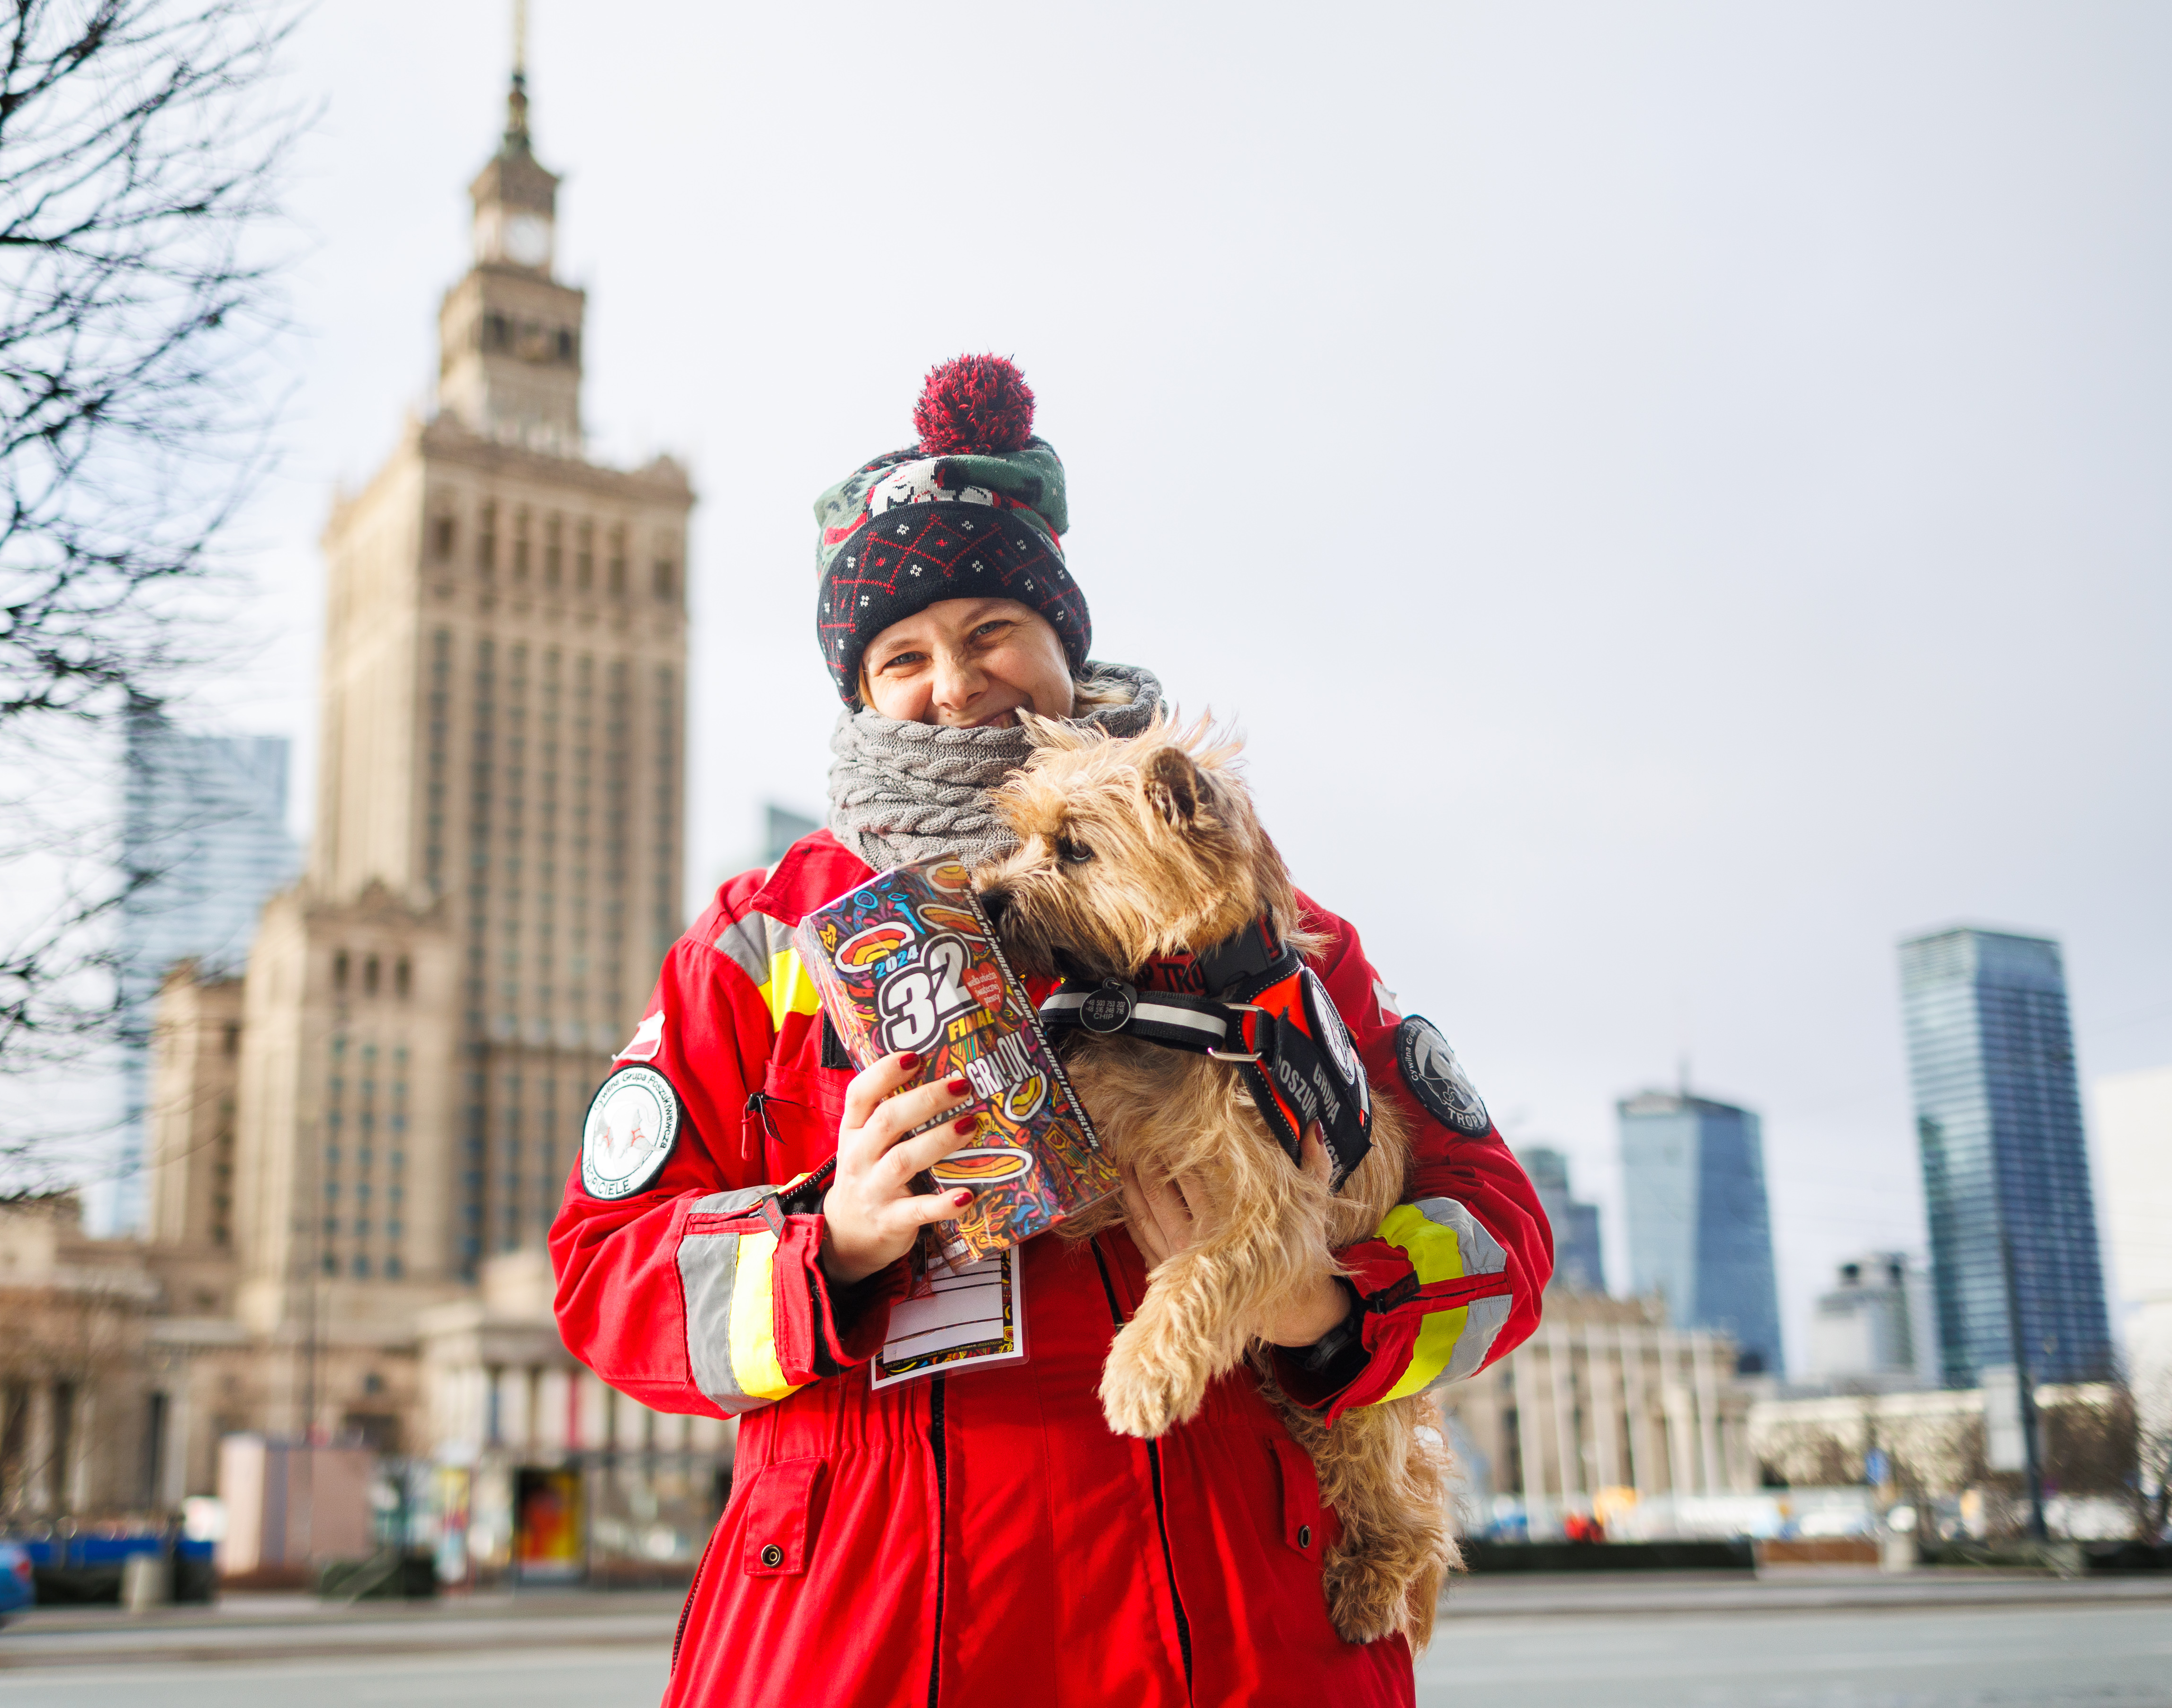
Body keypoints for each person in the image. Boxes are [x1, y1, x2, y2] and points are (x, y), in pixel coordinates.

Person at [550, 356, 1553, 1706]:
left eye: (991, 630)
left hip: (1236, 1637)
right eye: (899, 655)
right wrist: (826, 1242)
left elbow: (1498, 1233)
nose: (952, 684)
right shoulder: (761, 942)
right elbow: (602, 1276)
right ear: (859, 692)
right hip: (871, 1637)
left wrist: (1321, 1304)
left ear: (1062, 643)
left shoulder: (1260, 911)